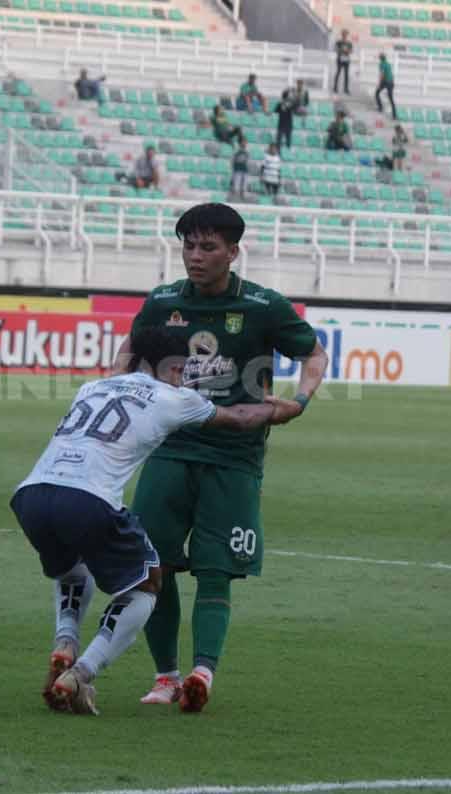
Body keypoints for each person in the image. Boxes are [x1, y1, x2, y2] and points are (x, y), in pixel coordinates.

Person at [111, 203, 328, 713]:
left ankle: (202, 673)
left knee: (215, 570)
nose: (195, 256)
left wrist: (297, 402)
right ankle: (166, 677)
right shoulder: (163, 301)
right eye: (188, 245)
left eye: (207, 247)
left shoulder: (263, 306)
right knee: (153, 565)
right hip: (168, 451)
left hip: (234, 456)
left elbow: (314, 353)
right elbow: (131, 347)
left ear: (233, 252)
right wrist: (116, 384)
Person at [13, 326, 278, 715]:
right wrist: (286, 408)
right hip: (87, 498)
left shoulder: (92, 388)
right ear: (172, 365)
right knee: (148, 583)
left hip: (32, 494)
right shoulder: (175, 398)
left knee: (73, 570)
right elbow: (237, 418)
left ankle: (66, 642)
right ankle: (81, 673)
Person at [375, 52, 396, 118]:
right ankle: (394, 115)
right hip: (391, 82)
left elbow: (382, 74)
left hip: (385, 81)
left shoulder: (382, 64)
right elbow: (390, 74)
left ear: (380, 58)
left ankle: (380, 107)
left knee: (377, 93)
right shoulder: (388, 63)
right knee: (391, 98)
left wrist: (379, 84)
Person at [333, 29, 353, 95]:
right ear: (342, 35)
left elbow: (351, 51)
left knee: (346, 75)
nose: (345, 35)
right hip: (340, 59)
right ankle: (335, 87)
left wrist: (347, 51)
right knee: (338, 73)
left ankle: (346, 89)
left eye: (346, 34)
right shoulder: (339, 42)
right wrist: (341, 50)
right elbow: (335, 49)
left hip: (346, 60)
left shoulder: (349, 43)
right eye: (344, 34)